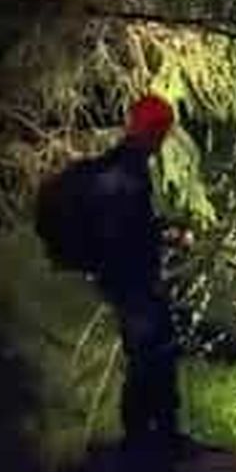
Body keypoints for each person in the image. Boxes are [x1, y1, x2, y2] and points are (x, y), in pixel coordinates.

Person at [90, 95, 184, 449]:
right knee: (152, 352)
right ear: (150, 129)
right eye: (161, 131)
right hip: (132, 281)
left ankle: (154, 434)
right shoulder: (127, 168)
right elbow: (124, 227)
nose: (162, 140)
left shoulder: (129, 164)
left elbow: (130, 223)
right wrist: (161, 235)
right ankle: (150, 439)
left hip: (131, 278)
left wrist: (161, 230)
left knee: (154, 350)